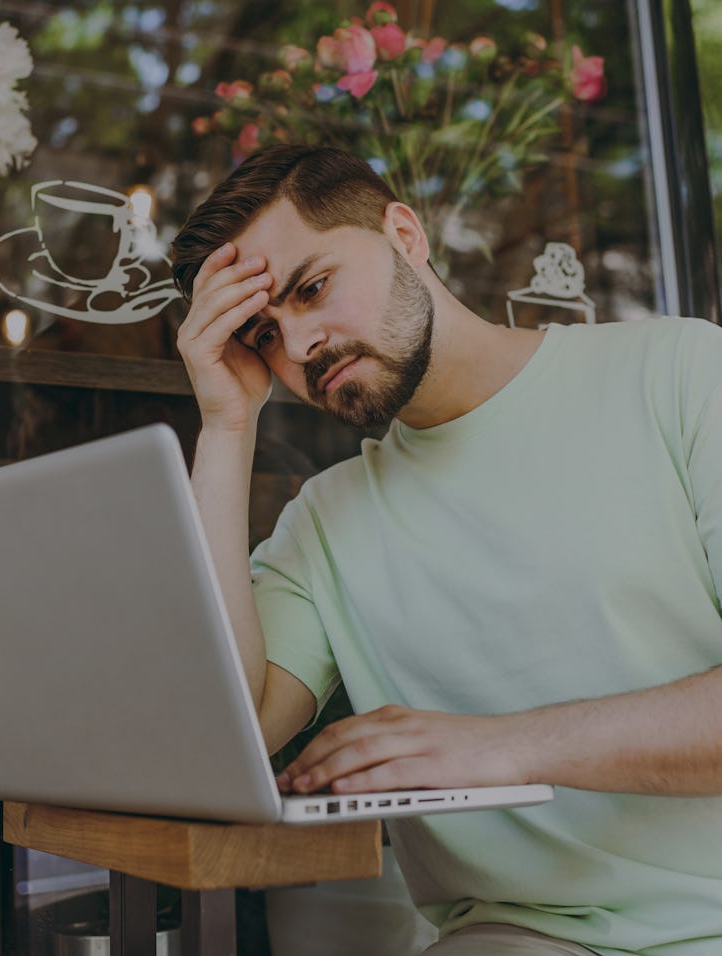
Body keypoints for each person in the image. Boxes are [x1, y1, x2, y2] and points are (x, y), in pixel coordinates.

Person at [170, 144, 722, 956]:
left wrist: (503, 746)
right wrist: (225, 425)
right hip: (518, 937)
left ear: (404, 233)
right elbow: (224, 738)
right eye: (263, 335)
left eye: (312, 288)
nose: (301, 346)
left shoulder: (680, 372)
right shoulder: (325, 523)